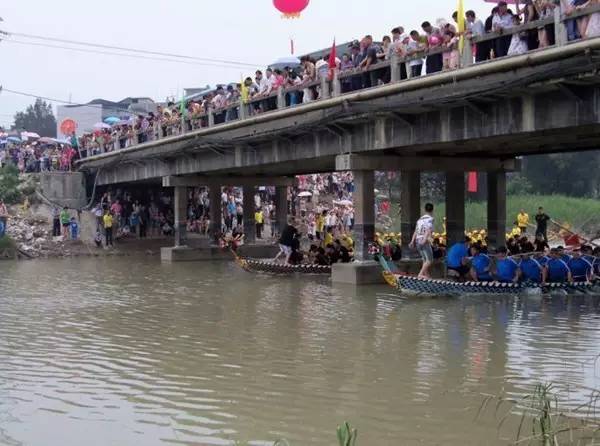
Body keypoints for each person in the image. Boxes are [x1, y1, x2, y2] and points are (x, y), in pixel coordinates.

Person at [410, 203, 435, 279]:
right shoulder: (430, 219)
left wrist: (412, 241)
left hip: (417, 240)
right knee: (430, 260)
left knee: (425, 260)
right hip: (423, 241)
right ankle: (420, 274)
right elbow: (428, 229)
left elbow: (416, 231)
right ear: (432, 210)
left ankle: (427, 276)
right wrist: (424, 240)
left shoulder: (419, 220)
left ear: (424, 210)